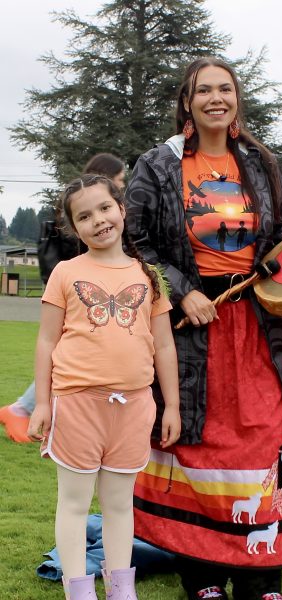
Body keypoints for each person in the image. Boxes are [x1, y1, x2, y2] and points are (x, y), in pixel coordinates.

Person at [125, 57, 282, 600]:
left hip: (255, 324)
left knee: (264, 436)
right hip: (190, 329)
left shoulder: (263, 165)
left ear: (237, 100)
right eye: (205, 90)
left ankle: (261, 576)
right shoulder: (157, 165)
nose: (216, 98)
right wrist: (182, 289)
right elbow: (136, 243)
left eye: (226, 89)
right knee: (198, 444)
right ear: (187, 101)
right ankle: (202, 578)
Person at [27, 174, 181, 600]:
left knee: (118, 505)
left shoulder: (148, 275)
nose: (98, 220)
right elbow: (47, 341)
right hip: (77, 405)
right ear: (74, 228)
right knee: (74, 504)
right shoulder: (66, 272)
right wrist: (42, 403)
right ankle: (78, 589)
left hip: (134, 408)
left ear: (121, 209)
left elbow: (164, 345)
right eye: (84, 215)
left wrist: (171, 407)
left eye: (104, 208)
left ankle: (120, 588)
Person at [0, 154, 127, 443]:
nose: (123, 185)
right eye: (119, 180)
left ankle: (24, 408)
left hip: (84, 297)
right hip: (75, 298)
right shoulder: (79, 221)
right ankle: (22, 409)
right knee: (63, 355)